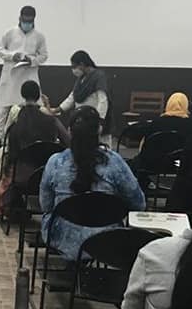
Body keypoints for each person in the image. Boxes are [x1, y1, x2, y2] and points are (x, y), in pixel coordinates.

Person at [39, 106, 145, 260]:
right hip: (106, 241)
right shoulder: (115, 162)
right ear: (99, 130)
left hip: (62, 239)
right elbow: (139, 203)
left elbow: (46, 205)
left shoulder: (55, 162)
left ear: (69, 131)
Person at [0, 80, 68, 222]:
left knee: (7, 167)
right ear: (39, 96)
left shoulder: (16, 123)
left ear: (22, 95)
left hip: (22, 176)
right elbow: (67, 141)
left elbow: (12, 154)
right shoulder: (51, 121)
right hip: (47, 173)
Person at [0, 5, 48, 150]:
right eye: (24, 20)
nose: (27, 23)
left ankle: (36, 136)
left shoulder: (39, 36)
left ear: (34, 20)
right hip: (10, 75)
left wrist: (32, 60)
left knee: (35, 106)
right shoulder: (10, 33)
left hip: (29, 75)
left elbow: (44, 55)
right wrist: (12, 55)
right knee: (3, 106)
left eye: (30, 21)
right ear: (19, 18)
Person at [55, 51, 109, 128]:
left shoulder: (99, 77)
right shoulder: (81, 78)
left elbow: (103, 101)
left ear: (82, 64)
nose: (73, 70)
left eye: (74, 67)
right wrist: (58, 109)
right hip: (80, 119)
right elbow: (72, 97)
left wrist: (99, 121)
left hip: (93, 120)